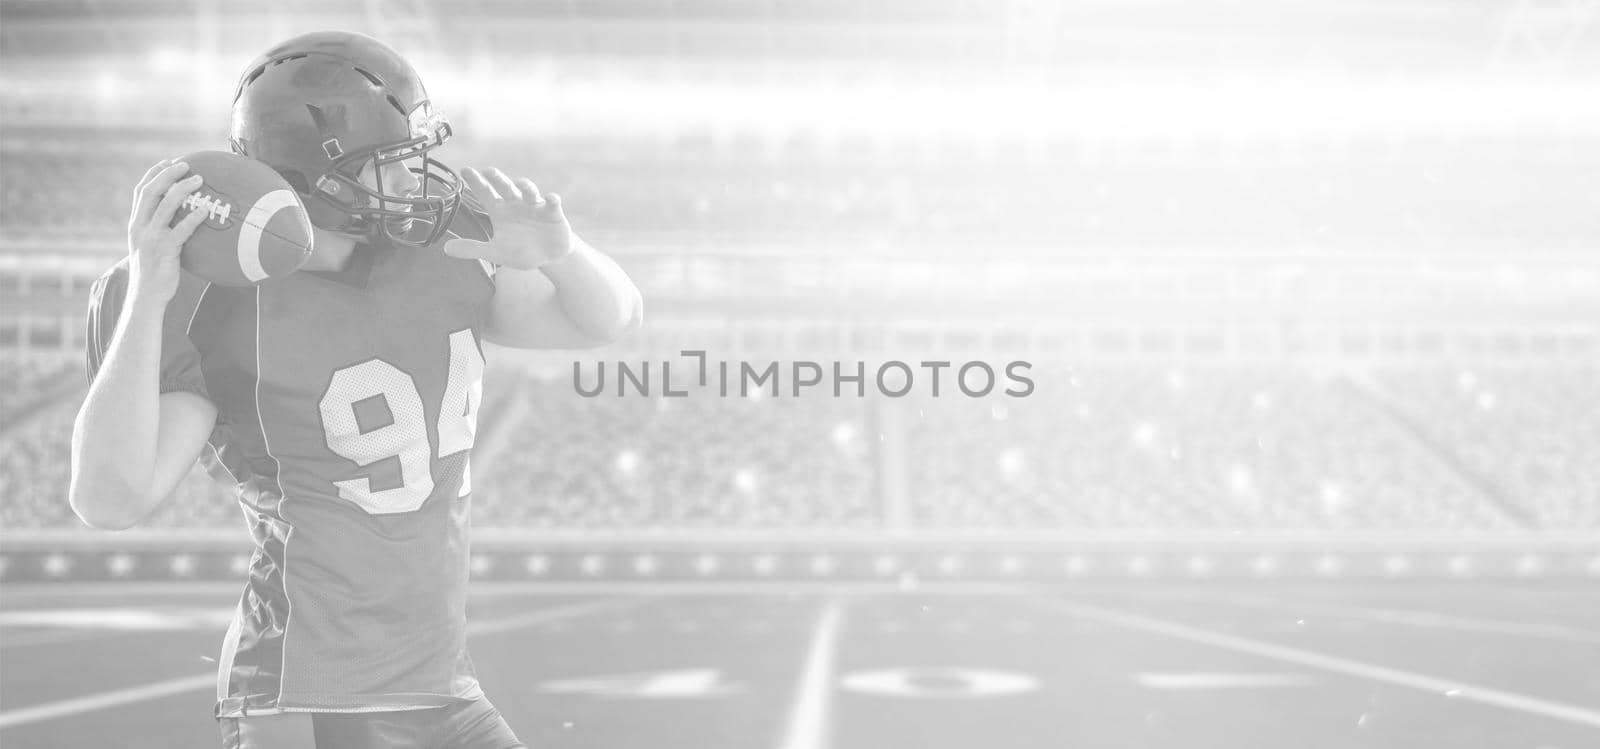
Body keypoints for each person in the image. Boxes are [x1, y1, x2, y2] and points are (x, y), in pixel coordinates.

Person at [68, 30, 643, 748]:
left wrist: (564, 255)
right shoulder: (206, 296)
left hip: (441, 681)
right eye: (391, 167)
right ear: (312, 178)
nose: (417, 181)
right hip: (306, 693)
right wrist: (147, 296)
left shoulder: (448, 246)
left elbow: (607, 320)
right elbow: (111, 499)